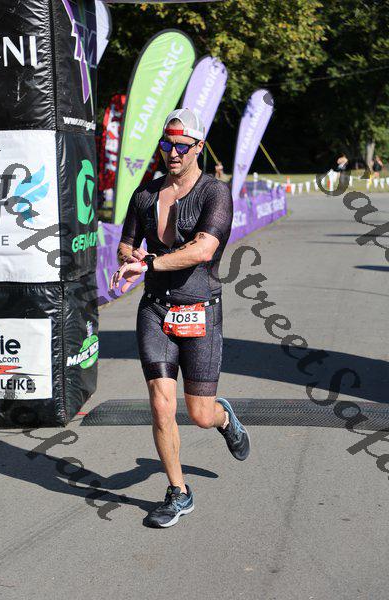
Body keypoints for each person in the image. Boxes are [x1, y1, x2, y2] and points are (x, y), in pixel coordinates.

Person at [109, 108, 250, 528]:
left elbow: (203, 250)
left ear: (198, 147)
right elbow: (125, 244)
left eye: (181, 146)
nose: (172, 153)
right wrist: (129, 257)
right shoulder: (145, 194)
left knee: (200, 414)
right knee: (160, 404)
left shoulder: (215, 193)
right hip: (155, 310)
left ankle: (223, 417)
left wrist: (149, 262)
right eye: (166, 145)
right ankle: (178, 491)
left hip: (199, 311)